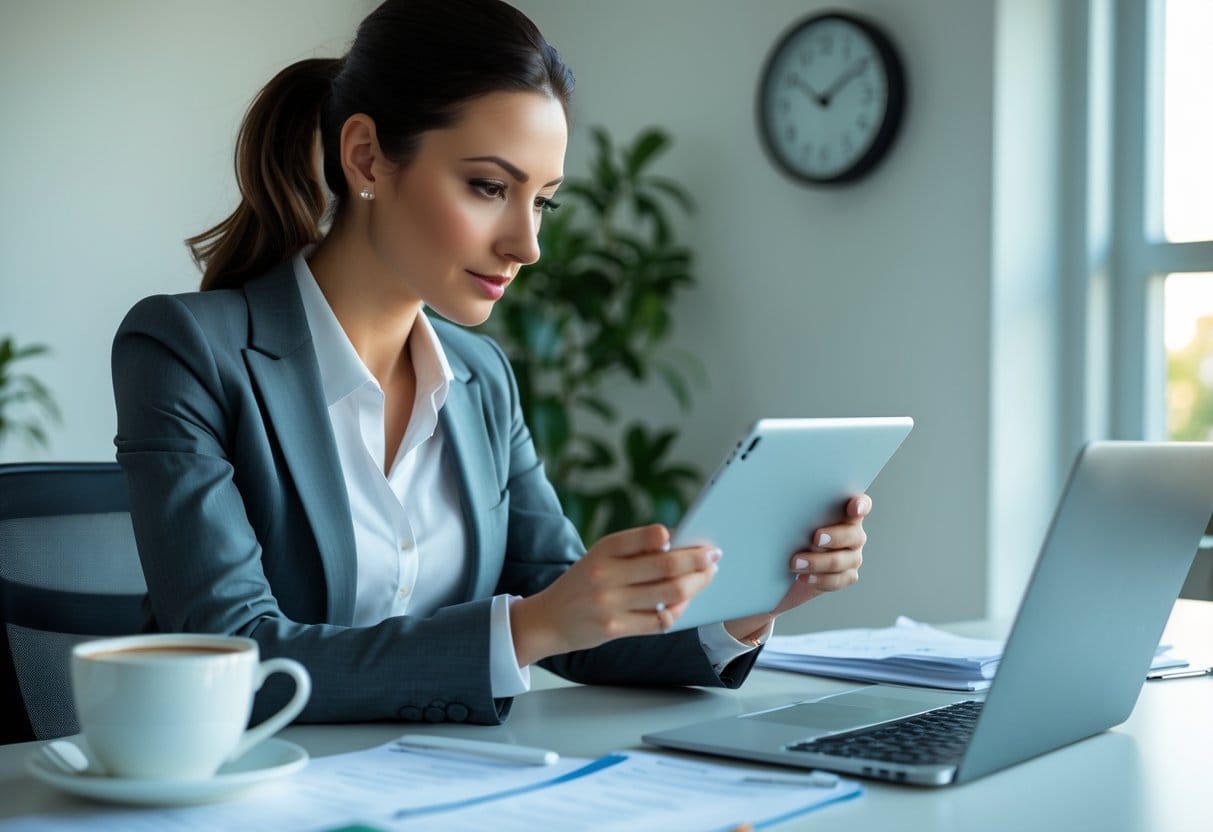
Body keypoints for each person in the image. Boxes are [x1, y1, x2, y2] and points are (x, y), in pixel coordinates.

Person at [111, 0, 871, 726]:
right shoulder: (188, 350)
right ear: (366, 156)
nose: (527, 244)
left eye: (542, 201)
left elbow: (563, 608)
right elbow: (233, 656)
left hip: (447, 785)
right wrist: (526, 630)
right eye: (488, 187)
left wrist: (750, 603)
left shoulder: (480, 379)